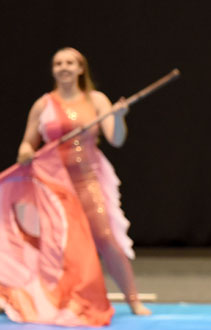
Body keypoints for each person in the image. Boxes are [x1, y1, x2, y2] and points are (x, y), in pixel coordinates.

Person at [16, 47, 150, 316]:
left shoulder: (97, 100)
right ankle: (57, 299)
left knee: (106, 238)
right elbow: (26, 145)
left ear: (80, 69)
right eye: (58, 63)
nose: (63, 67)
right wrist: (25, 152)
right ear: (53, 69)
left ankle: (133, 300)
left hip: (88, 179)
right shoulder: (43, 105)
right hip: (53, 185)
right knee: (59, 244)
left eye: (69, 62)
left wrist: (119, 117)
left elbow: (117, 139)